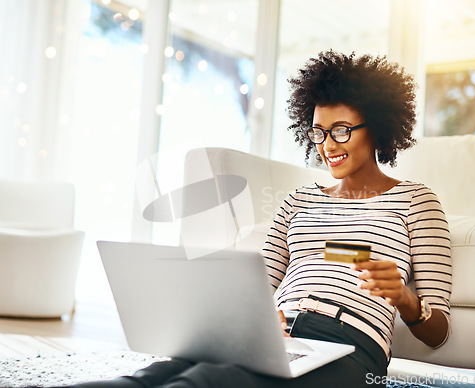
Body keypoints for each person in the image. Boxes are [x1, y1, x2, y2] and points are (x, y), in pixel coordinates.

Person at [59, 51, 451, 388]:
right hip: (274, 338)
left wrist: (405, 298)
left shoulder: (416, 201)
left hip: (352, 351)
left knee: (208, 382)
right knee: (151, 376)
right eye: (318, 132)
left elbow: (439, 333)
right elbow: (258, 284)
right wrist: (260, 316)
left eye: (342, 130)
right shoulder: (297, 201)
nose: (328, 145)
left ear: (378, 128)